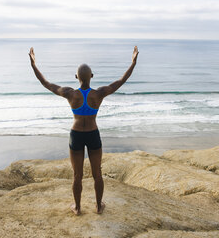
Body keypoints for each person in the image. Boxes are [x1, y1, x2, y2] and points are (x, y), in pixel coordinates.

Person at [29, 46, 139, 215]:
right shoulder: (99, 93)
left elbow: (46, 84)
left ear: (76, 77)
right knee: (97, 173)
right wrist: (133, 63)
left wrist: (34, 65)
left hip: (76, 135)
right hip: (93, 134)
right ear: (92, 77)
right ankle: (98, 206)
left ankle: (78, 208)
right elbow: (121, 81)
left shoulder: (70, 94)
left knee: (77, 175)